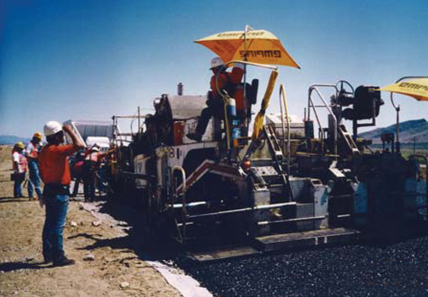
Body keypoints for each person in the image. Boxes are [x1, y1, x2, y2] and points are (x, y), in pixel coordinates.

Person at [38, 121, 85, 266]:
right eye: (61, 134)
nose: (63, 137)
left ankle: (48, 254)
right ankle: (58, 256)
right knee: (58, 225)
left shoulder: (43, 152)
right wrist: (70, 131)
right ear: (57, 136)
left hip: (49, 189)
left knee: (49, 223)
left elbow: (41, 173)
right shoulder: (57, 151)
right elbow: (80, 146)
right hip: (59, 191)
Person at [187, 57, 244, 142]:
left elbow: (216, 94)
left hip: (223, 108)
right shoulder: (231, 76)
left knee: (206, 112)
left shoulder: (216, 78)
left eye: (213, 69)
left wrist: (210, 102)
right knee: (228, 122)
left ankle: (198, 134)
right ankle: (228, 139)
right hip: (234, 109)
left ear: (217, 68)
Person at [25, 132, 43, 200]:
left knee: (32, 179)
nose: (39, 141)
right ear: (35, 138)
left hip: (36, 162)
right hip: (32, 162)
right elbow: (26, 154)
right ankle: (39, 194)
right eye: (38, 139)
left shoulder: (36, 145)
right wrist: (34, 157)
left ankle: (31, 195)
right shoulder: (30, 145)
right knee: (36, 177)